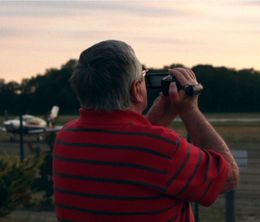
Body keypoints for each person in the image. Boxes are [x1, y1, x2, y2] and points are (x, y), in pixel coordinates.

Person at [53, 40, 239, 222]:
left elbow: (124, 161)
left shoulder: (65, 137)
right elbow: (228, 177)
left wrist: (152, 122)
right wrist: (189, 110)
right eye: (143, 76)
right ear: (136, 89)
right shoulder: (159, 146)